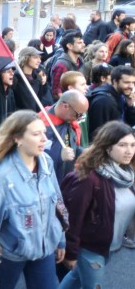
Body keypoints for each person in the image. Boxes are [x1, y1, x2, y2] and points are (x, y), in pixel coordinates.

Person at [0, 110, 66, 289]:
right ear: (18, 138)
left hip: (43, 251)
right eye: (36, 134)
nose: (44, 139)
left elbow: (58, 203)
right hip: (9, 256)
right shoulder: (2, 178)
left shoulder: (47, 162)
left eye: (44, 133)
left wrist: (60, 239)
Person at [59, 121, 135, 289]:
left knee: (76, 277)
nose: (129, 150)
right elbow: (72, 217)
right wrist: (70, 253)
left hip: (109, 245)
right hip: (90, 248)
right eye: (122, 145)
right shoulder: (88, 178)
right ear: (107, 147)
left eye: (132, 145)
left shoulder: (127, 175)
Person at [38, 90, 88, 184]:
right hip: (51, 182)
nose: (79, 119)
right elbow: (36, 157)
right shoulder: (42, 127)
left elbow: (71, 145)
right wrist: (59, 156)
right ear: (65, 106)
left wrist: (81, 151)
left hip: (67, 179)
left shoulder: (68, 120)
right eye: (78, 115)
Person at [87, 65, 135, 142]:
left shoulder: (121, 95)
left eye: (133, 83)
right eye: (127, 82)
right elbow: (97, 134)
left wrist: (130, 106)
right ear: (114, 81)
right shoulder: (103, 101)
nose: (131, 86)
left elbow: (130, 123)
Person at [13, 47, 53, 111]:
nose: (39, 61)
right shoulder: (15, 78)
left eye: (39, 57)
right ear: (25, 58)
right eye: (35, 57)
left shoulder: (38, 78)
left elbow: (43, 98)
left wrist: (44, 84)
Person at [51, 32, 85, 101]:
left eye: (83, 42)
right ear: (69, 46)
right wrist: (69, 105)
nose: (83, 45)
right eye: (79, 43)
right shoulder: (62, 65)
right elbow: (57, 92)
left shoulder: (80, 61)